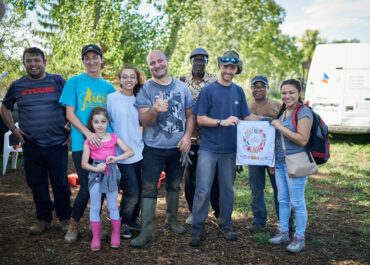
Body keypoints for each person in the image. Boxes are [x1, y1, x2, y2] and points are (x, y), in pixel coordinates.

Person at [189, 50, 260, 247]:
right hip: (209, 149)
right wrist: (222, 121)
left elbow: (247, 116)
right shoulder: (208, 90)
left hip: (230, 151)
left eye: (233, 67)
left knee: (227, 190)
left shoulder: (238, 91)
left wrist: (269, 122)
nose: (229, 70)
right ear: (220, 66)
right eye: (226, 66)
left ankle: (226, 225)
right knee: (202, 189)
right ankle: (196, 228)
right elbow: (200, 119)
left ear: (236, 69)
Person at [0, 47, 71, 235]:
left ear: (44, 62)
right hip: (31, 144)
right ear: (24, 64)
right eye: (29, 61)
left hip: (58, 143)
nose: (33, 64)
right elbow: (4, 107)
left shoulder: (58, 81)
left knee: (61, 184)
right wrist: (13, 128)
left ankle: (65, 219)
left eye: (36, 60)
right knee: (37, 184)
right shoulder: (17, 86)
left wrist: (72, 129)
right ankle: (44, 219)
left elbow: (73, 105)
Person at [130, 50, 194, 248]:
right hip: (153, 148)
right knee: (149, 188)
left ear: (166, 62)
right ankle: (147, 231)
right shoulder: (145, 89)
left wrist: (186, 137)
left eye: (160, 61)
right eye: (152, 63)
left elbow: (190, 115)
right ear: (148, 66)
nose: (157, 65)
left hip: (177, 148)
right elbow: (145, 121)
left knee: (174, 185)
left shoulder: (182, 87)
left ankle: (171, 220)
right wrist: (155, 110)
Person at [59, 44, 116, 243]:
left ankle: (96, 228)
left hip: (103, 146)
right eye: (87, 58)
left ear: (101, 60)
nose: (91, 61)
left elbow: (112, 118)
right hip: (80, 143)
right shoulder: (74, 82)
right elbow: (69, 113)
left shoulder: (108, 88)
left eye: (95, 57)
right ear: (83, 61)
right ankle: (73, 226)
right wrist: (87, 134)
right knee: (85, 188)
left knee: (99, 188)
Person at [269, 79, 313, 253]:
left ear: (299, 93)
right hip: (280, 163)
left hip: (296, 163)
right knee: (283, 200)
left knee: (297, 202)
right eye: (284, 93)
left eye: (291, 93)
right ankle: (283, 232)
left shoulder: (303, 112)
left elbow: (302, 139)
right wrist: (273, 160)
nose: (287, 96)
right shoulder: (284, 111)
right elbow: (278, 140)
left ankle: (299, 238)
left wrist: (280, 126)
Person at [82, 107, 133, 251]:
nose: (99, 125)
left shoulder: (114, 137)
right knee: (96, 206)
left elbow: (130, 152)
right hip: (96, 175)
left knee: (112, 205)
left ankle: (115, 235)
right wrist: (95, 169)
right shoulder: (89, 141)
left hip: (111, 173)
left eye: (103, 121)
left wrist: (116, 158)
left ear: (108, 122)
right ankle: (96, 238)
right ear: (91, 123)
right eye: (96, 122)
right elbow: (84, 164)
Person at [247, 75, 294, 233]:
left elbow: (284, 129)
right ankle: (259, 221)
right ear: (251, 88)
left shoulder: (278, 105)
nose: (258, 89)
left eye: (262, 86)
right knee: (256, 189)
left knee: (281, 190)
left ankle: (286, 223)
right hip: (254, 156)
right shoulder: (246, 107)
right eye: (255, 86)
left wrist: (275, 156)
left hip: (275, 155)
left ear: (267, 88)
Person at [179, 48, 220, 225]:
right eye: (196, 59)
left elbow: (218, 105)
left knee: (215, 177)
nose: (199, 63)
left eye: (202, 60)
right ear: (191, 61)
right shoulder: (181, 81)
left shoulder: (214, 82)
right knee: (191, 177)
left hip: (210, 137)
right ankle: (193, 211)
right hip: (191, 138)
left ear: (206, 62)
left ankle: (218, 212)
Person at [107, 65, 144, 239]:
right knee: (132, 191)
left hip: (140, 150)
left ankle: (133, 220)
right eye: (125, 77)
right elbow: (105, 124)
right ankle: (122, 223)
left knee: (142, 189)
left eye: (132, 77)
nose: (128, 80)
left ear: (137, 80)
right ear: (120, 79)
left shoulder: (140, 98)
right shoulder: (112, 98)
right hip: (121, 153)